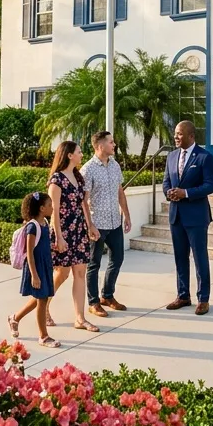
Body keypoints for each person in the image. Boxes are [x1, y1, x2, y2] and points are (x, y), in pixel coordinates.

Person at [45, 140, 100, 332]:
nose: (81, 154)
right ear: (69, 155)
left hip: (79, 230)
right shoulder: (56, 180)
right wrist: (59, 238)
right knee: (62, 273)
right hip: (64, 231)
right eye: (78, 151)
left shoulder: (78, 177)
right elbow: (55, 212)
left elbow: (83, 204)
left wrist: (90, 225)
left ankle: (80, 318)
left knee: (79, 273)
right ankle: (43, 307)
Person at [164, 120, 213, 315]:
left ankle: (203, 299)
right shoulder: (171, 156)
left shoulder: (205, 157)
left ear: (191, 136)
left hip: (196, 216)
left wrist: (185, 193)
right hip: (176, 215)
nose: (176, 137)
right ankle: (183, 295)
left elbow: (211, 185)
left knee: (199, 257)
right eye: (175, 134)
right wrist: (169, 192)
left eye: (179, 134)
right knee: (180, 258)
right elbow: (166, 181)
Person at [82, 130, 131, 318]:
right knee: (94, 263)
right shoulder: (87, 169)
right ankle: (93, 302)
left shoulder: (115, 165)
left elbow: (120, 192)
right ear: (100, 146)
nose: (114, 145)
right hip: (97, 224)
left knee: (117, 258)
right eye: (111, 142)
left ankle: (107, 296)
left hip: (114, 222)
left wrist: (126, 215)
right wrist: (90, 225)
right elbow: (84, 201)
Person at [9, 191, 60, 348]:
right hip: (36, 268)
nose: (53, 208)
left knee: (41, 299)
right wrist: (34, 275)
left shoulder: (44, 222)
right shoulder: (32, 227)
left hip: (44, 266)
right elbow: (29, 253)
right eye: (50, 205)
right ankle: (43, 337)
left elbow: (44, 246)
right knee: (42, 300)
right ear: (41, 208)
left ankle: (14, 318)